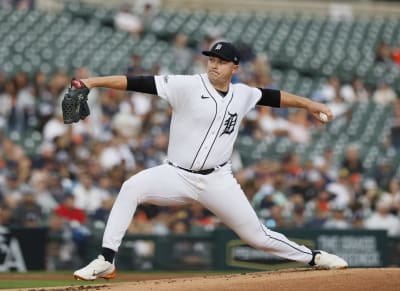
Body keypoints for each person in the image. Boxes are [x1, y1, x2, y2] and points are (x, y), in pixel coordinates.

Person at [73, 41, 348, 281]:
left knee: (257, 237)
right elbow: (137, 82)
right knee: (131, 187)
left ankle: (314, 257)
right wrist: (94, 82)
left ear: (235, 68)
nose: (214, 65)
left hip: (218, 180)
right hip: (177, 175)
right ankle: (106, 259)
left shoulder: (243, 94)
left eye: (221, 62)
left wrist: (310, 104)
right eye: (211, 60)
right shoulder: (187, 85)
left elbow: (275, 97)